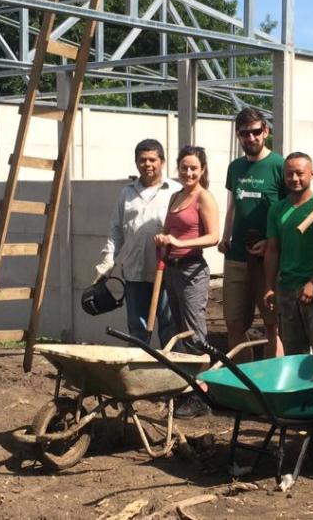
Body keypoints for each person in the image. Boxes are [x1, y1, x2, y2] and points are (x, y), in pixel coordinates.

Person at [154, 145, 220, 418]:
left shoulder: (204, 198)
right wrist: (162, 239)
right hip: (171, 269)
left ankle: (201, 395)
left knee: (194, 334)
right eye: (184, 167)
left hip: (193, 271)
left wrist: (181, 242)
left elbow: (213, 237)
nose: (188, 172)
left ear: (202, 170)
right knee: (179, 332)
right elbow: (168, 230)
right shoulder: (175, 196)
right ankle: (185, 388)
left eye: (194, 168)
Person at [94, 139, 180, 347]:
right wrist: (107, 261)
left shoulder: (175, 191)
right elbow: (116, 230)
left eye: (152, 159)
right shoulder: (127, 193)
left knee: (170, 326)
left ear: (162, 162)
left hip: (165, 272)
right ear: (136, 162)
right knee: (137, 329)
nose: (147, 164)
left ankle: (175, 373)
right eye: (142, 160)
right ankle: (138, 372)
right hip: (135, 272)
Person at [220, 107, 287, 359]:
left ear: (266, 131)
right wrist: (226, 235)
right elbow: (234, 204)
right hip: (237, 256)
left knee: (272, 325)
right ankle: (244, 384)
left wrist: (272, 244)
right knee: (234, 323)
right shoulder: (235, 167)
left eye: (256, 132)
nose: (251, 138)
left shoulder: (279, 165)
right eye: (245, 133)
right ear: (238, 135)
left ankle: (273, 385)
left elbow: (288, 212)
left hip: (268, 259)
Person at [263, 152, 313, 355]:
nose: (294, 178)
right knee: (293, 353)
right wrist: (269, 287)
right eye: (289, 174)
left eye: (299, 173)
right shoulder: (277, 210)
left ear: (312, 174)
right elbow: (272, 250)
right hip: (286, 289)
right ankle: (301, 388)